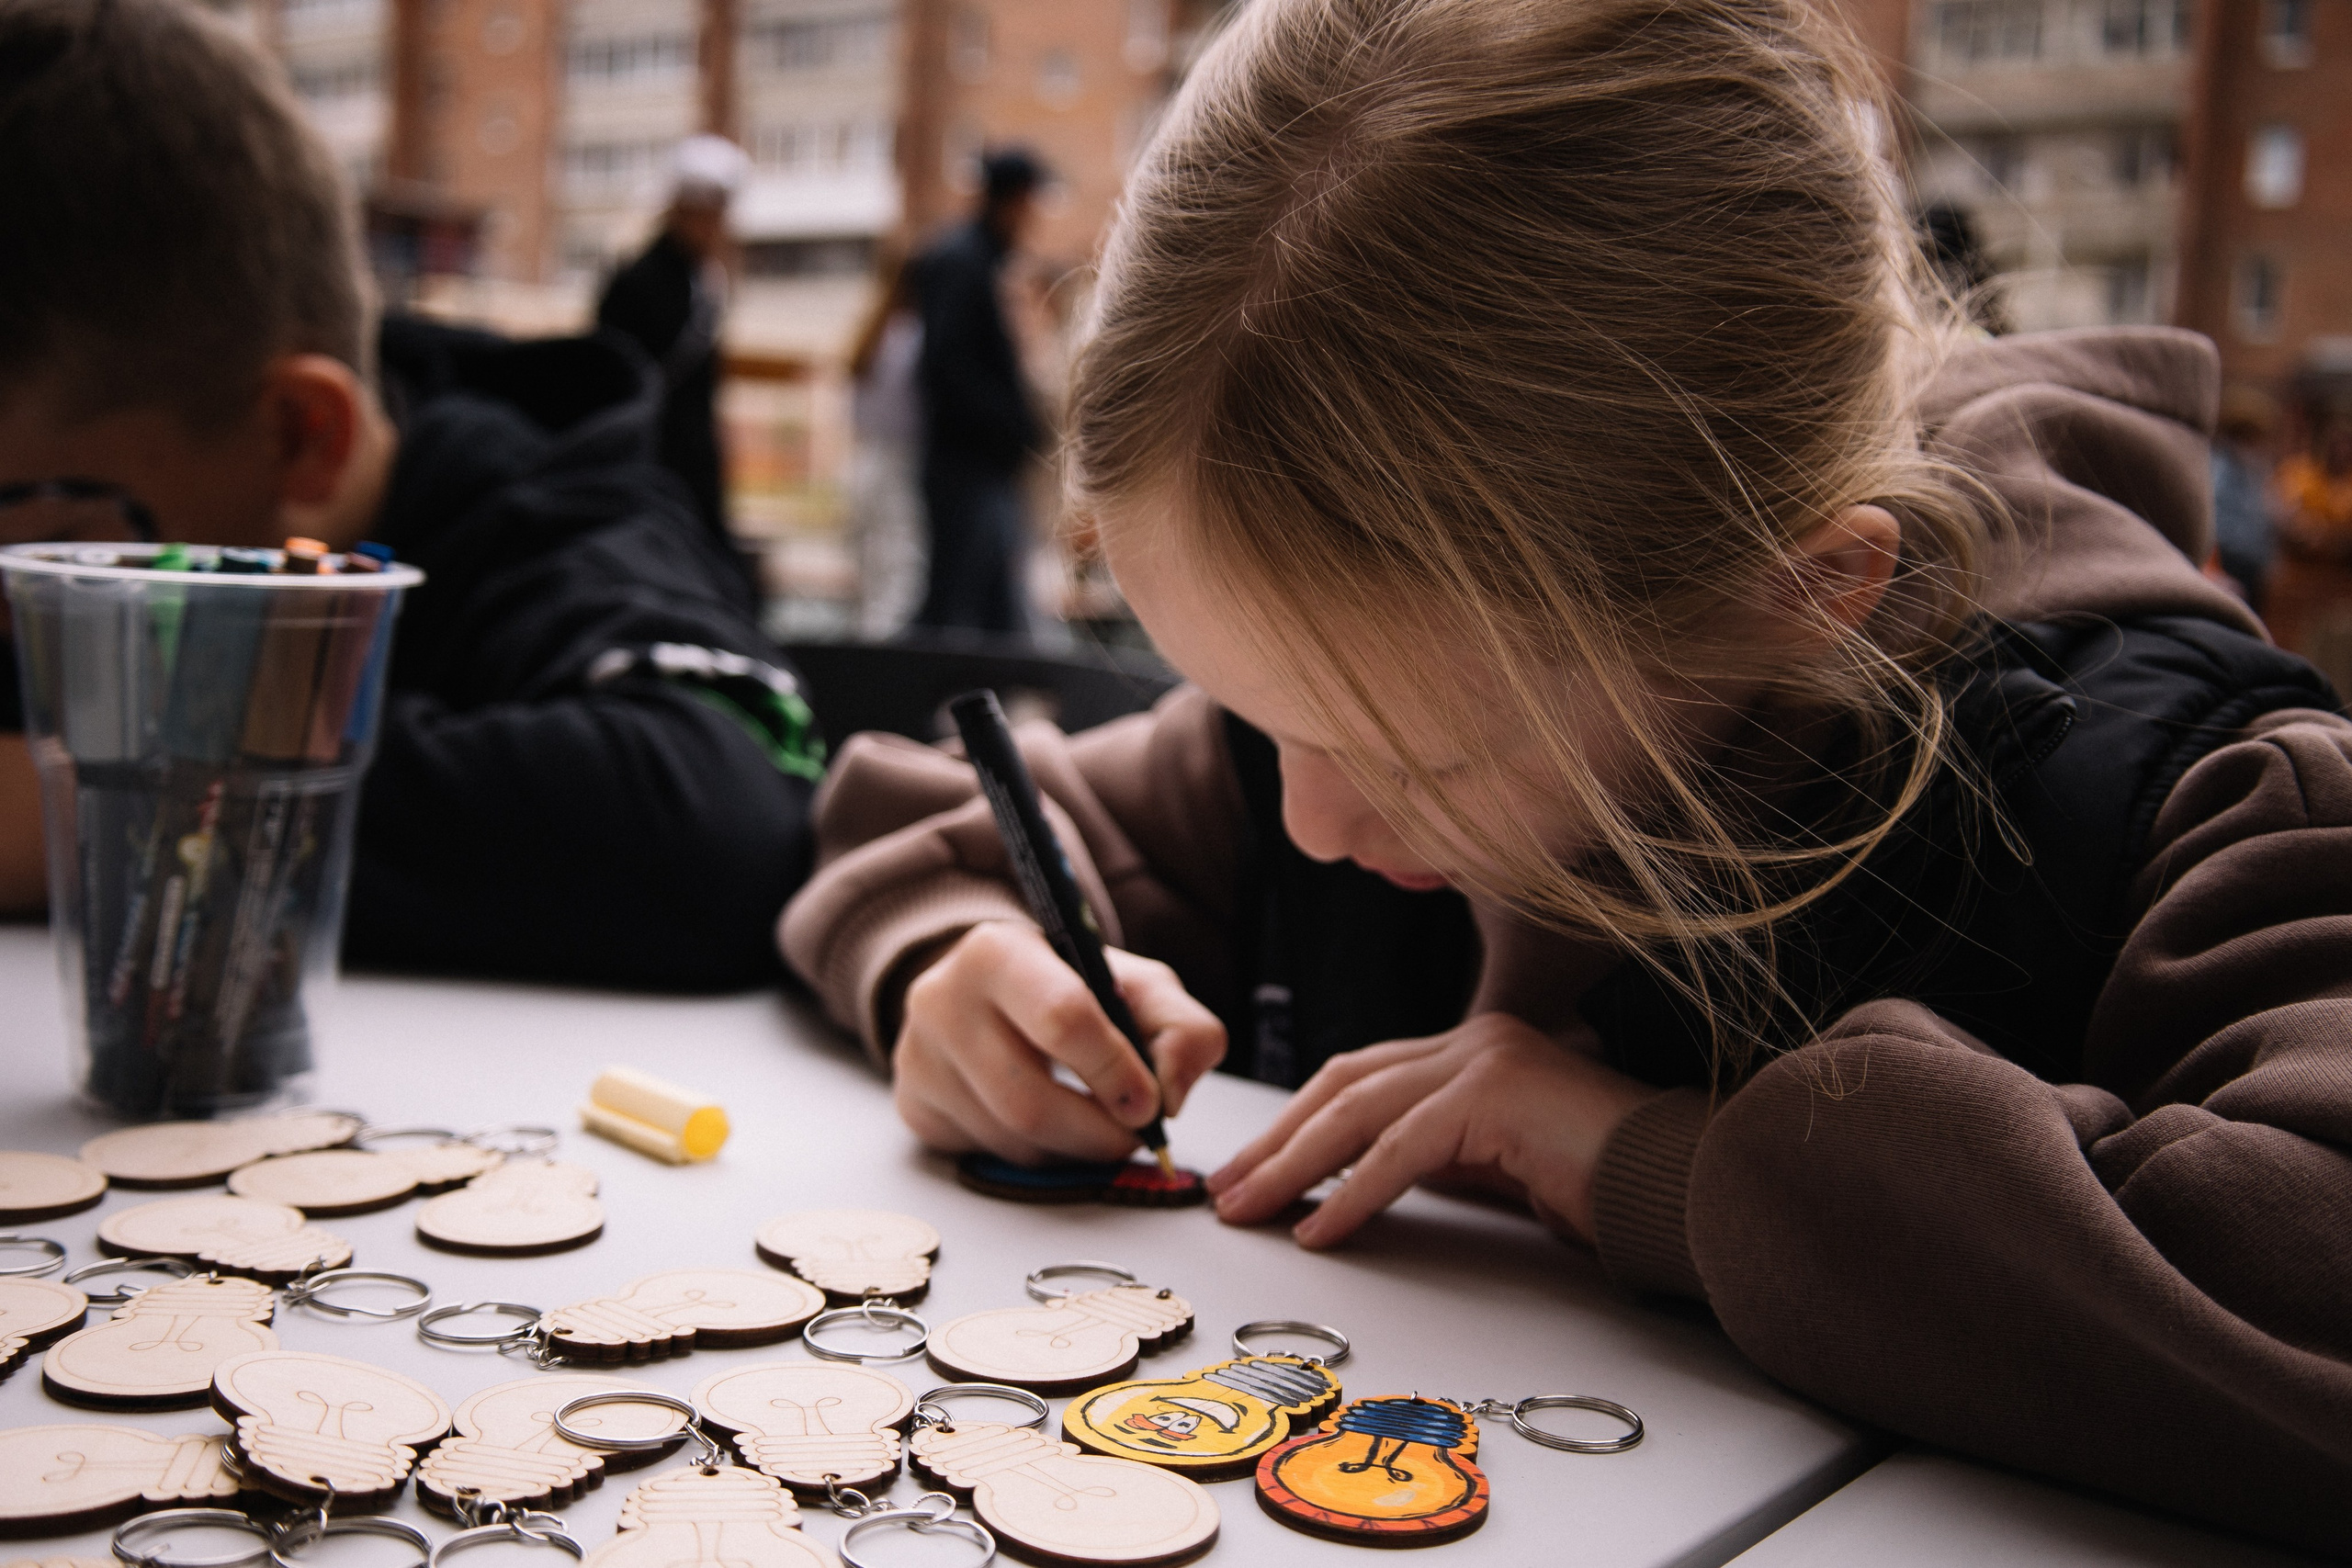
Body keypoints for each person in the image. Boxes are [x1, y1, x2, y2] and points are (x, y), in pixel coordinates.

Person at [780, 0, 2352, 1552]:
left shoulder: (2195, 799)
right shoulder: (1355, 699)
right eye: (1256, 717)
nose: (1310, 821)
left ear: (1805, 594)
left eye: (1418, 759)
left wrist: (1646, 1159)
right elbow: (950, 827)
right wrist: (955, 966)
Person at [0, 0, 821, 988]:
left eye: (50, 535)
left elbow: (720, 819)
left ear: (301, 433)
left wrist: (84, 808)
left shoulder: (550, 513)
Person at [909, 147, 1047, 636]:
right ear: (1014, 200)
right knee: (954, 605)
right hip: (965, 463)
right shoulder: (961, 262)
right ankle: (918, 704)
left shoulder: (981, 260)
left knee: (994, 604)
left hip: (984, 462)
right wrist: (1010, 423)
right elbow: (944, 366)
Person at [596, 134, 747, 558]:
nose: (719, 223)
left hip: (685, 451)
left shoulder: (701, 277)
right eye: (712, 210)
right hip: (655, 455)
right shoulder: (641, 280)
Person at [842, 248, 927, 639]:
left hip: (863, 463)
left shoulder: (875, 334)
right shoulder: (913, 340)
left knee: (871, 577)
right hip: (898, 465)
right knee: (897, 581)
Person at [2209, 386, 2278, 612]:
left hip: (2252, 568)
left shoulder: (2251, 470)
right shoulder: (2220, 470)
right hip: (2233, 568)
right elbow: (2218, 523)